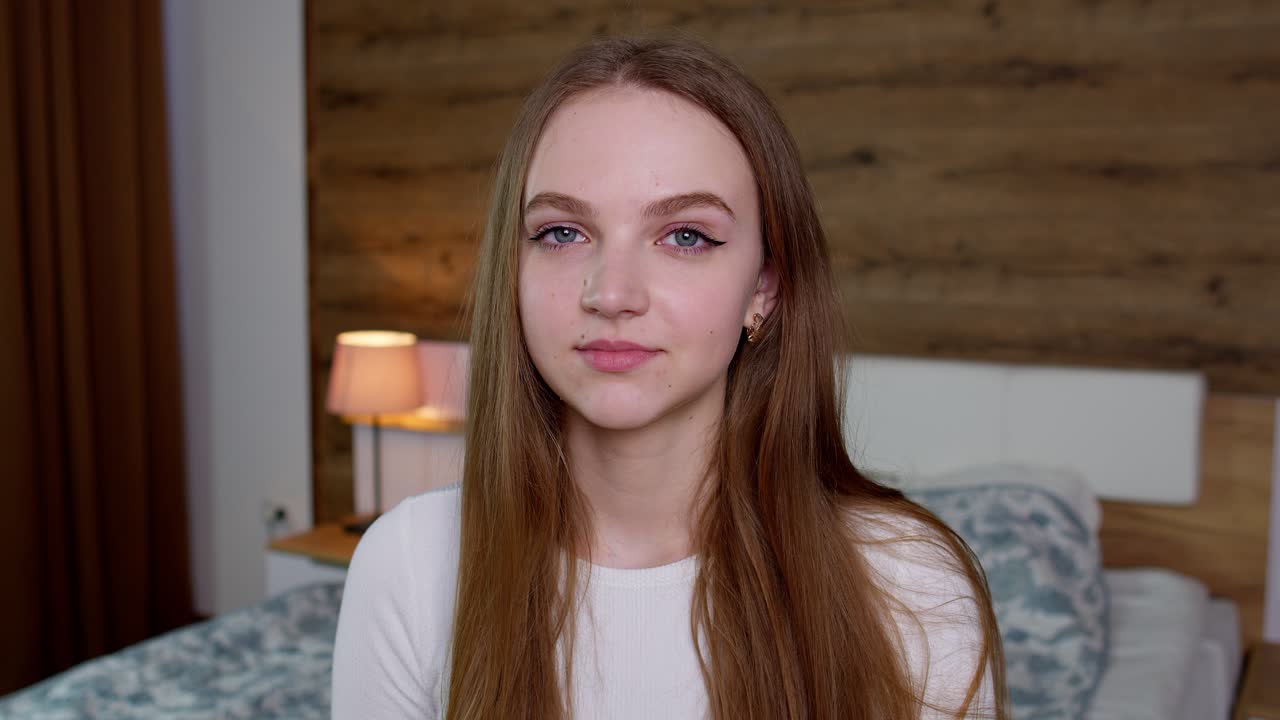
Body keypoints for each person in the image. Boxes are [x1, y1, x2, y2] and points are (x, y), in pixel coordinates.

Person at [331, 33, 1007, 720]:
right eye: (562, 233)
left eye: (686, 236)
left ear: (764, 289)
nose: (613, 293)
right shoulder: (410, 565)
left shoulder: (908, 584)